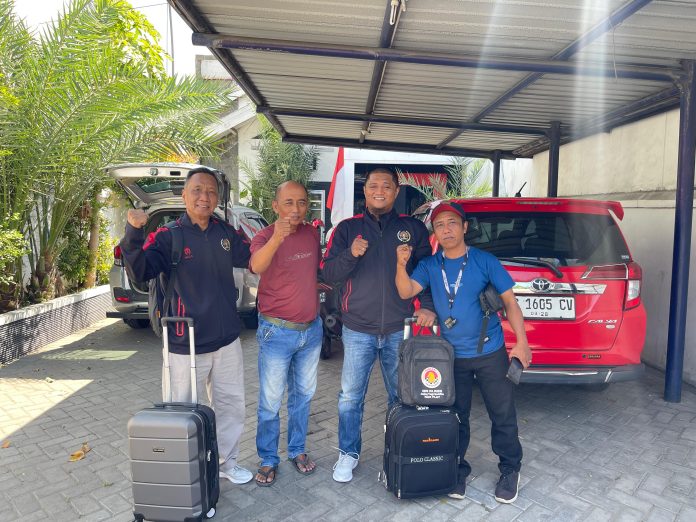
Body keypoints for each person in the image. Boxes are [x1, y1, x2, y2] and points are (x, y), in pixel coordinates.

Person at [120, 166, 253, 486]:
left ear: (217, 198)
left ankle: (226, 463)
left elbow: (251, 256)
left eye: (210, 191)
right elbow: (140, 272)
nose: (204, 197)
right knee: (182, 412)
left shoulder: (224, 232)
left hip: (226, 339)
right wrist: (133, 232)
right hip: (185, 340)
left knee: (231, 407)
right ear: (184, 196)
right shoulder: (169, 236)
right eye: (197, 190)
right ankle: (187, 473)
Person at [395, 201, 531, 503]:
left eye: (452, 223)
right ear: (435, 232)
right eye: (440, 225)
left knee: (502, 414)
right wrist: (400, 264)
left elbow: (510, 303)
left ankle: (510, 468)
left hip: (490, 352)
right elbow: (406, 291)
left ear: (465, 227)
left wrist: (521, 342)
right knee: (456, 417)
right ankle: (456, 469)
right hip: (451, 357)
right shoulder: (430, 265)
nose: (446, 229)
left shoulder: (485, 261)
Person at [321, 167, 436, 483]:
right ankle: (348, 453)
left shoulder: (412, 228)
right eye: (374, 185)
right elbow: (329, 274)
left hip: (400, 327)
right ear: (365, 191)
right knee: (350, 398)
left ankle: (397, 449)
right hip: (358, 328)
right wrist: (351, 254)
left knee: (401, 396)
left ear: (396, 191)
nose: (380, 190)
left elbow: (426, 271)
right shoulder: (347, 229)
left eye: (387, 186)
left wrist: (427, 306)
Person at [249, 181, 322, 487]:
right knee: (270, 401)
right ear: (275, 206)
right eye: (289, 202)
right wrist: (278, 236)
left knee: (302, 397)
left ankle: (297, 449)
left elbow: (313, 272)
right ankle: (268, 458)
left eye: (302, 202)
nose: (296, 209)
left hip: (311, 331)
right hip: (276, 332)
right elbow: (256, 266)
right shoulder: (264, 235)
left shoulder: (312, 234)